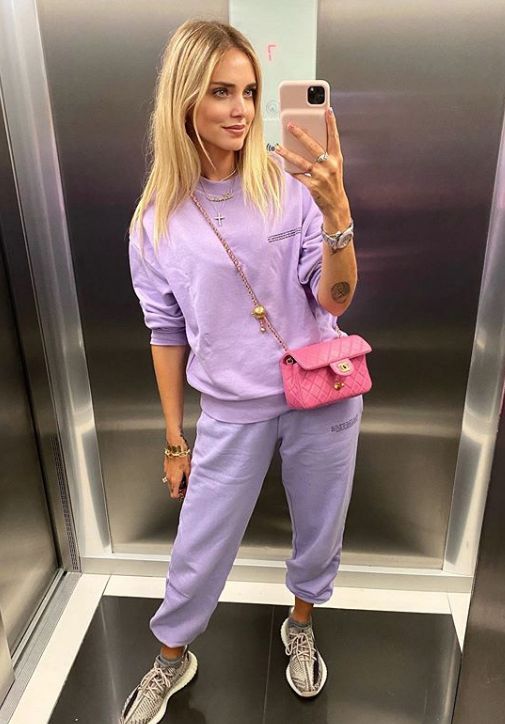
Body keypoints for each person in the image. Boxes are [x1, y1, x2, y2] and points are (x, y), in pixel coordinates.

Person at [120, 17, 362, 724]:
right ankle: (172, 655)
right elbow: (165, 333)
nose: (241, 110)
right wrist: (174, 438)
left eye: (250, 92)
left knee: (320, 524)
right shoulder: (154, 222)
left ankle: (301, 622)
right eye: (221, 92)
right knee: (200, 544)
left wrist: (336, 210)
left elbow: (335, 298)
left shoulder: (287, 185)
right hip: (231, 405)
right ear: (184, 98)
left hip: (321, 390)